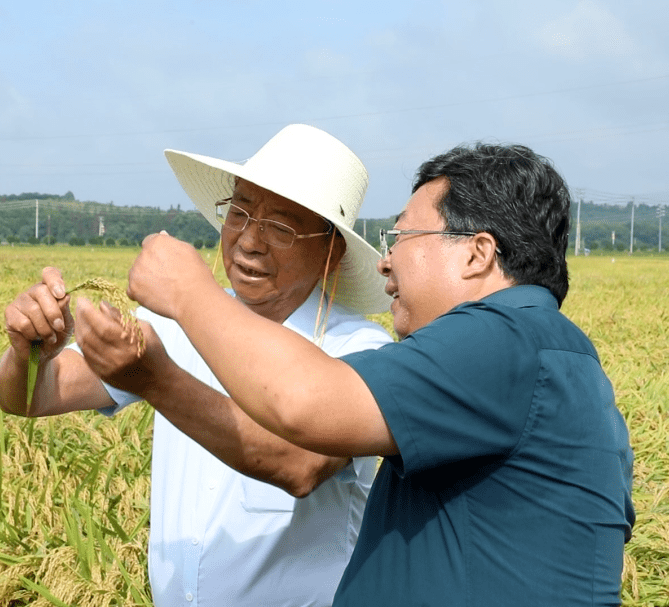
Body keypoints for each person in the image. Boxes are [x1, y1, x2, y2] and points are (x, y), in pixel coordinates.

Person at [126, 142, 636, 606]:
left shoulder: (503, 339)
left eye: (403, 236)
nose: (385, 263)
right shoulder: (544, 352)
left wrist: (189, 292)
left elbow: (301, 406)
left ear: (477, 253)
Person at [0, 124, 393, 606]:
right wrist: (29, 352)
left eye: (281, 227)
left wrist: (159, 380)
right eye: (241, 212)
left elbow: (300, 465)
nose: (249, 241)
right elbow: (33, 397)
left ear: (332, 253)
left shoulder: (359, 350)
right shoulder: (175, 321)